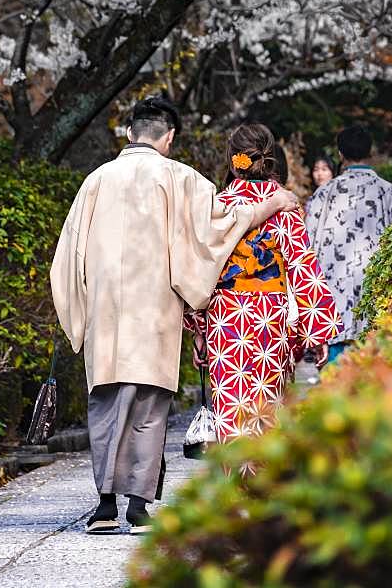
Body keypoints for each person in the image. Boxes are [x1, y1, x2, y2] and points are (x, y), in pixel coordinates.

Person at [50, 97, 299, 534]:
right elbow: (223, 225)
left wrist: (77, 314)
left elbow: (67, 256)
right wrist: (274, 203)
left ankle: (104, 507)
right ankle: (137, 508)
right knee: (148, 407)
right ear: (169, 137)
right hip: (155, 310)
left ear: (129, 133)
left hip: (106, 310)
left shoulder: (96, 180)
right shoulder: (179, 177)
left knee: (106, 403)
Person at [189, 124, 339, 447]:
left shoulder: (217, 207)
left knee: (231, 408)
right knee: (268, 408)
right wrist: (319, 333)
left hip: (225, 318)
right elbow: (303, 267)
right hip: (271, 320)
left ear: (232, 159)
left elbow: (201, 270)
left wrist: (198, 329)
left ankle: (236, 485)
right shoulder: (284, 205)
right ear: (270, 159)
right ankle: (265, 484)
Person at [306, 124, 392, 365]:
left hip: (332, 308)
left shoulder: (324, 194)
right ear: (369, 152)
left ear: (340, 154)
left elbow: (307, 249)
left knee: (334, 387)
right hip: (376, 303)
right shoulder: (388, 192)